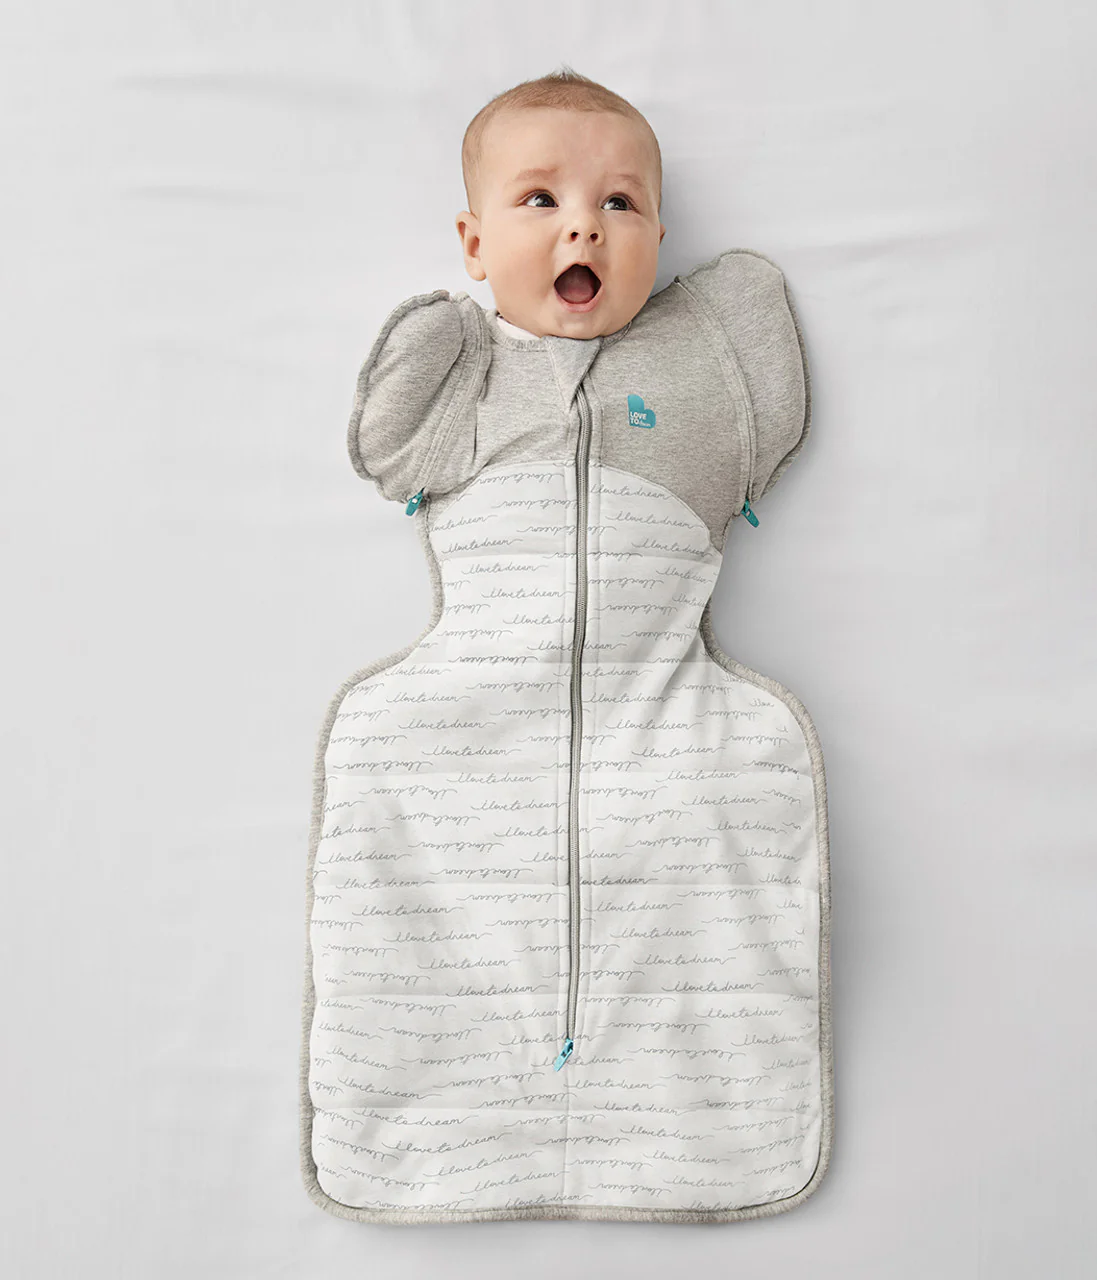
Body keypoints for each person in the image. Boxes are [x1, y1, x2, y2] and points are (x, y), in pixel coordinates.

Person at [455, 68, 666, 341]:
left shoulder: (693, 324)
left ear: (655, 244)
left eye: (618, 204)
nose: (584, 224)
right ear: (476, 246)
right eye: (542, 200)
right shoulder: (452, 347)